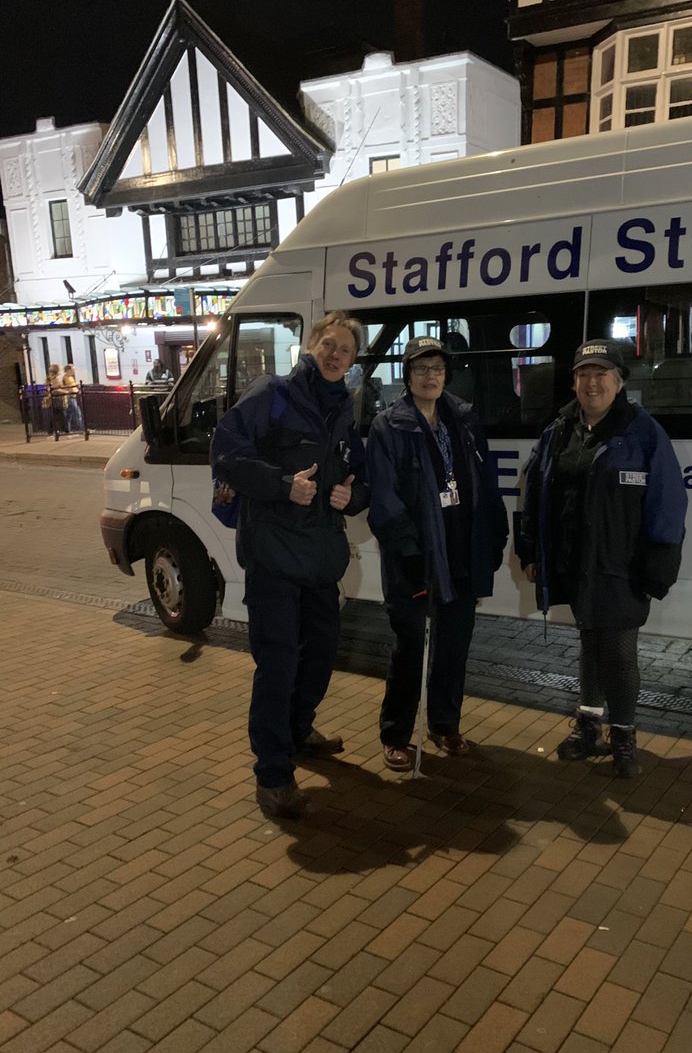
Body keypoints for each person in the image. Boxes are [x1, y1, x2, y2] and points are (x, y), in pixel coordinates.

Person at [210, 311, 370, 818]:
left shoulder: (344, 408)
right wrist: (283, 486)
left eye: (345, 350)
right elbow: (226, 452)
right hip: (273, 558)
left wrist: (352, 495)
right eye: (329, 344)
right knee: (277, 667)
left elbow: (361, 473)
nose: (335, 354)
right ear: (311, 345)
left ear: (352, 360)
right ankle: (274, 774)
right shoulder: (272, 393)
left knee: (319, 656)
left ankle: (299, 731)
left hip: (320, 559)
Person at [516, 339, 687, 778]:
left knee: (620, 652)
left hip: (622, 565)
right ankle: (589, 724)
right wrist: (530, 550)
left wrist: (660, 565)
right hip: (576, 561)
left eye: (601, 374)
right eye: (584, 374)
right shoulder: (558, 431)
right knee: (590, 641)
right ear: (574, 382)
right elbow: (534, 493)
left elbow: (667, 501)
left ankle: (624, 734)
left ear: (619, 381)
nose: (592, 383)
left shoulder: (643, 432)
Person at [367, 336, 509, 772]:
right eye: (421, 368)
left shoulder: (463, 419)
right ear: (407, 375)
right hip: (414, 559)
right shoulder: (389, 426)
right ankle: (395, 735)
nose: (430, 376)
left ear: (447, 374)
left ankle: (445, 725)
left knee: (453, 646)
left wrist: (494, 534)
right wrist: (409, 554)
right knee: (410, 648)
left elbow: (485, 483)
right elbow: (384, 500)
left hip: (461, 551)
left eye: (437, 369)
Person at [44, 364, 69, 434]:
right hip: (57, 399)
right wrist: (66, 391)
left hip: (52, 399)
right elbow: (55, 389)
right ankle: (66, 430)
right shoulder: (56, 379)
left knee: (53, 416)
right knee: (62, 415)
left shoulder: (49, 378)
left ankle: (50, 431)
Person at [62, 364, 83, 432]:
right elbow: (70, 388)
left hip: (72, 397)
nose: (74, 370)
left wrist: (77, 387)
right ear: (68, 370)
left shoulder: (71, 377)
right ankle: (81, 429)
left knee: (69, 415)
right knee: (77, 413)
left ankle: (67, 430)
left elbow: (73, 386)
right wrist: (77, 390)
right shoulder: (66, 378)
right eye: (72, 369)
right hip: (70, 397)